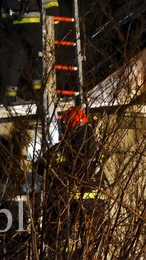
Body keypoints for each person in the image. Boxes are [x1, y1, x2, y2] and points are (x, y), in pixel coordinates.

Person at [37, 106, 107, 253]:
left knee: (61, 244)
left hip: (71, 202)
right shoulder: (99, 149)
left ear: (68, 127)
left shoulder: (62, 149)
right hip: (98, 202)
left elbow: (40, 167)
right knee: (94, 245)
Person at [0, 0, 60, 104]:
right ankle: (39, 96)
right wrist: (53, 21)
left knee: (16, 59)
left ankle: (10, 96)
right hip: (34, 23)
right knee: (39, 58)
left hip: (16, 24)